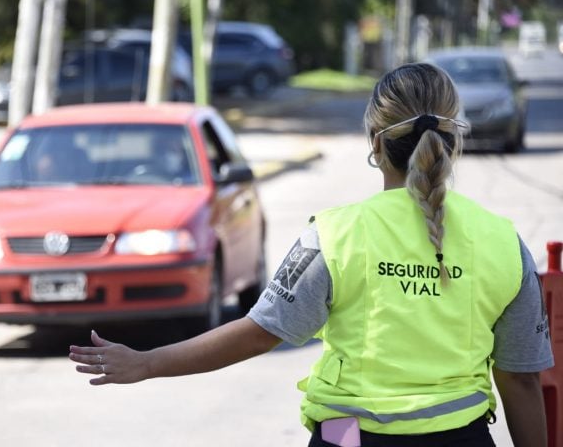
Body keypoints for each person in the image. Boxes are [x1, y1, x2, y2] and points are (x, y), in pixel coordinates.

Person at [68, 63, 553, 446]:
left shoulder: (334, 235)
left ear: (376, 144)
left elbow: (259, 334)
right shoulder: (504, 244)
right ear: (453, 141)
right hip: (461, 440)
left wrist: (148, 362)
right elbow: (520, 382)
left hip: (349, 438)